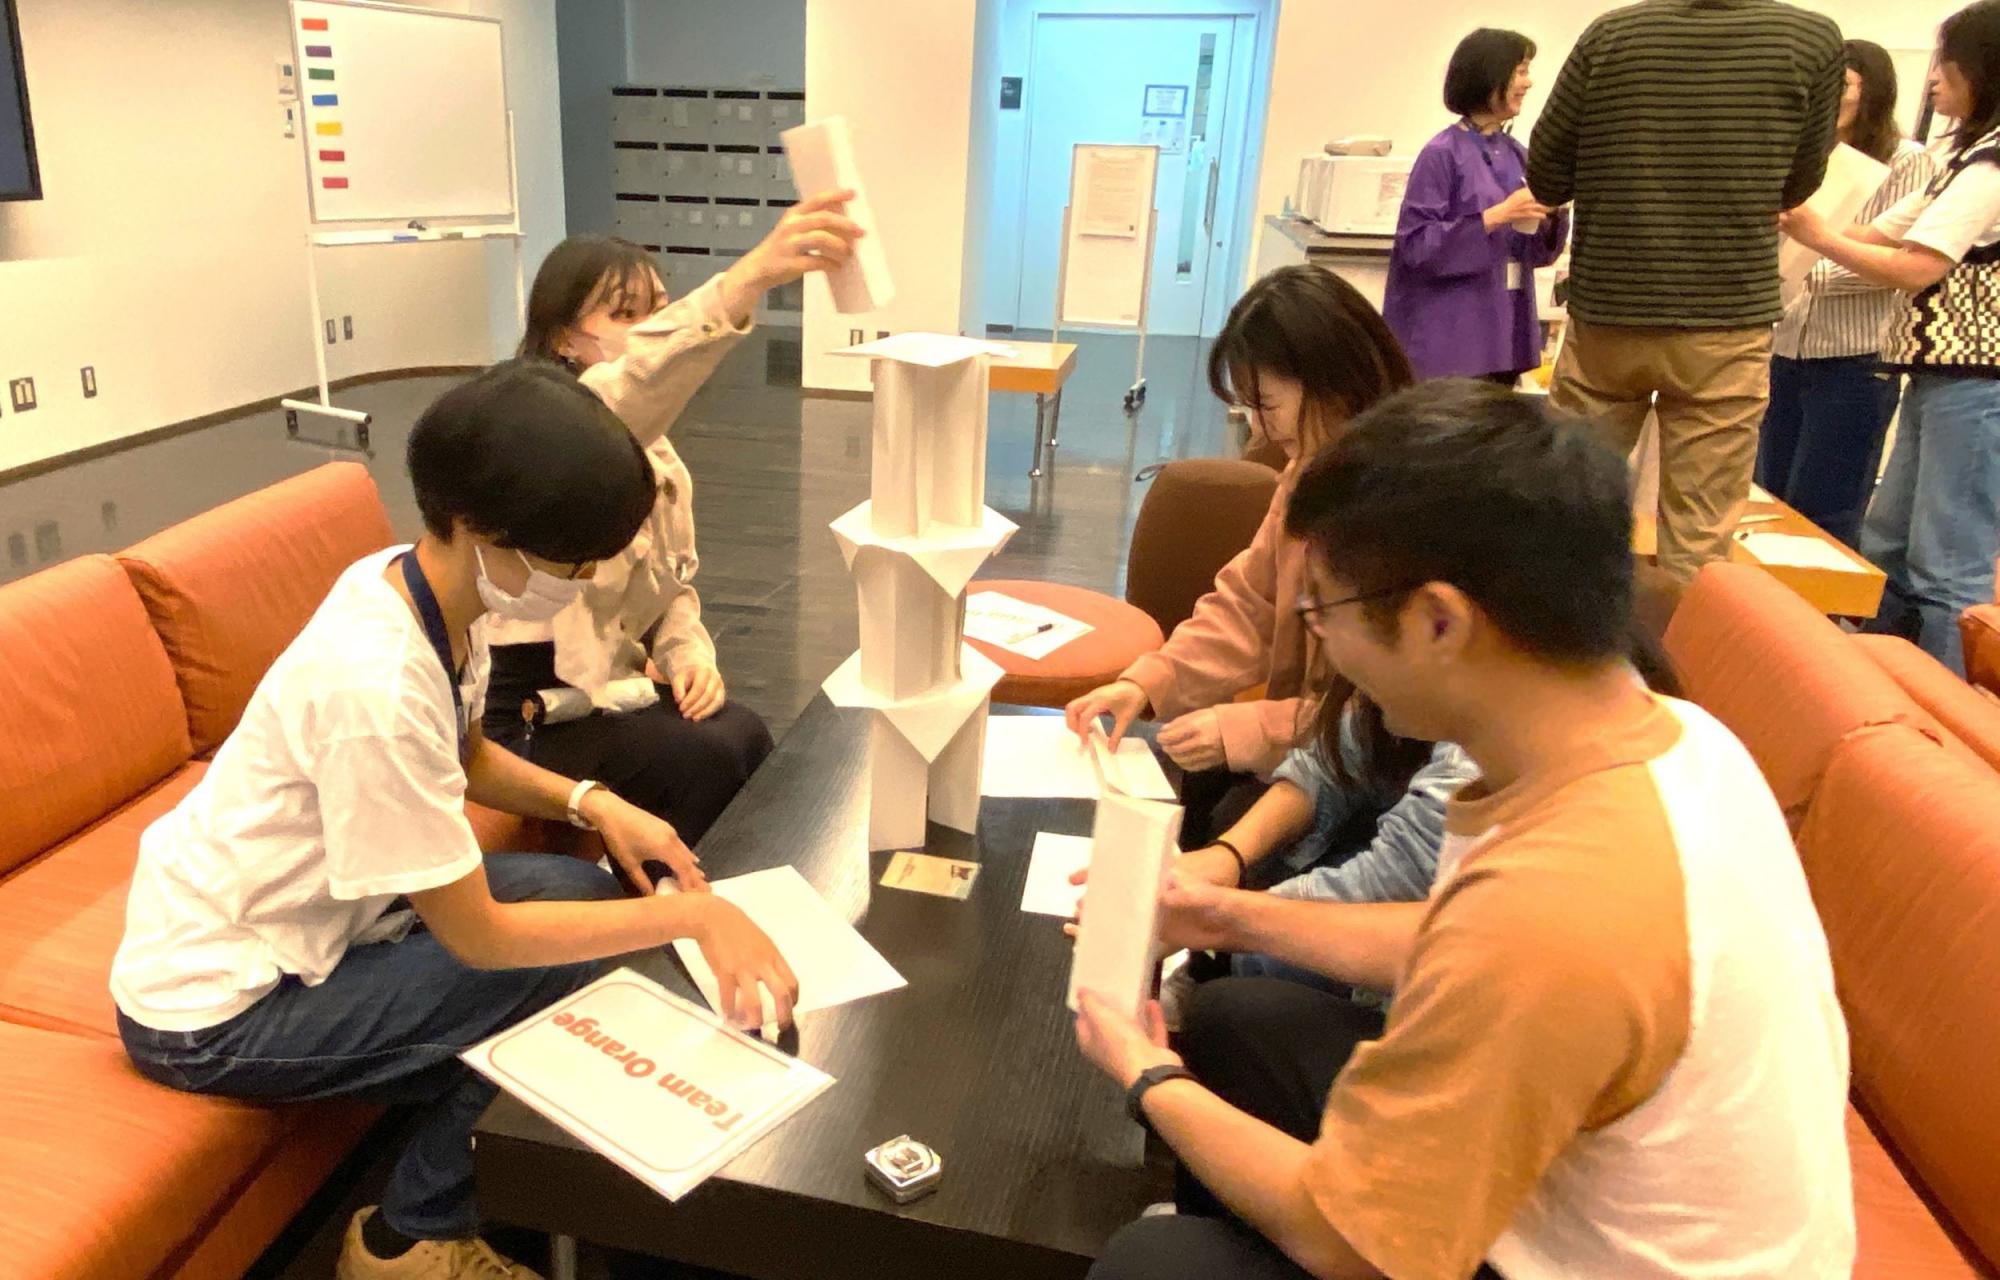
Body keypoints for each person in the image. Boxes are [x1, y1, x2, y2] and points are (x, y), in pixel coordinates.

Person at [1074, 380, 1853, 1280]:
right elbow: (1444, 938)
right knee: (1241, 1019)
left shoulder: (1555, 907)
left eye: (1323, 612)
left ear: (1437, 620)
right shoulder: (1678, 737)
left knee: (1152, 1263)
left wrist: (1147, 1075)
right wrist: (1228, 916)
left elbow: (1349, 1241)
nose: (1326, 651)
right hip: (1606, 1195)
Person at [110, 363, 801, 1280]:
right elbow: (481, 938)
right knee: (569, 969)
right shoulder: (374, 683)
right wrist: (694, 913)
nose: (582, 583)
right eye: (569, 563)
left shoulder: (417, 588)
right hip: (220, 1011)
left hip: (320, 923)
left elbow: (464, 752)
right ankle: (408, 1238)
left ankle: (498, 1146)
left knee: (577, 890)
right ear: (481, 529)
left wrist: (594, 803)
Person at [486, 193, 863, 848]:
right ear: (562, 338)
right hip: (533, 710)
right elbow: (633, 383)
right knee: (705, 759)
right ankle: (674, 898)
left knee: (742, 732)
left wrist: (688, 655)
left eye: (659, 309)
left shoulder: (653, 447)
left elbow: (668, 589)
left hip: (605, 684)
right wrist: (750, 275)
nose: (650, 328)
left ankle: (701, 890)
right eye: (624, 313)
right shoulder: (553, 431)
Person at [1063, 266, 1415, 842]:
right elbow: (1249, 605)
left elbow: (1384, 720)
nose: (1258, 428)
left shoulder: (1409, 502)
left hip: (1373, 790)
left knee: (1217, 817)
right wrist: (1149, 682)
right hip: (1312, 754)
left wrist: (1252, 730)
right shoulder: (1309, 474)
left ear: (1335, 381)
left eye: (1266, 405)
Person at [1528, 0, 1845, 582]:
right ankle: (1678, 642)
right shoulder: (1812, 38)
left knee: (1564, 515)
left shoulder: (1612, 34)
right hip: (1727, 318)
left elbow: (1546, 174)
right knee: (1699, 540)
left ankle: (1550, 636)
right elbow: (1799, 182)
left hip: (1609, 311)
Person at [1782, 1, 2000, 675]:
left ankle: (1946, 707)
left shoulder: (1990, 166)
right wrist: (1800, 219)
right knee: (1885, 544)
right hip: (1934, 374)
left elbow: (1915, 267)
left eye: (1948, 67)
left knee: (1946, 566)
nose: (1933, 80)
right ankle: (1885, 676)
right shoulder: (1956, 155)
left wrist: (1815, 237)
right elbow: (1877, 232)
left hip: (1975, 381)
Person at [1759, 41, 1940, 550]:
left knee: (1828, 505)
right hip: (1785, 344)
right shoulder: (1806, 153)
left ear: (1872, 91)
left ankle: (1823, 600)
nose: (1828, 95)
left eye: (1842, 84)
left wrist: (1808, 272)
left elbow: (1898, 257)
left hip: (1854, 356)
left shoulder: (1908, 160)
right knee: (1770, 496)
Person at [1383, 29, 1570, 384]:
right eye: (1520, 71)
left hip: (1504, 337)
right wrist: (1497, 216)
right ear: (1490, 75)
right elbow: (1417, 246)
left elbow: (1536, 254)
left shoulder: (1517, 154)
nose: (1528, 83)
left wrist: (1554, 211)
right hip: (1450, 342)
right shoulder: (1441, 154)